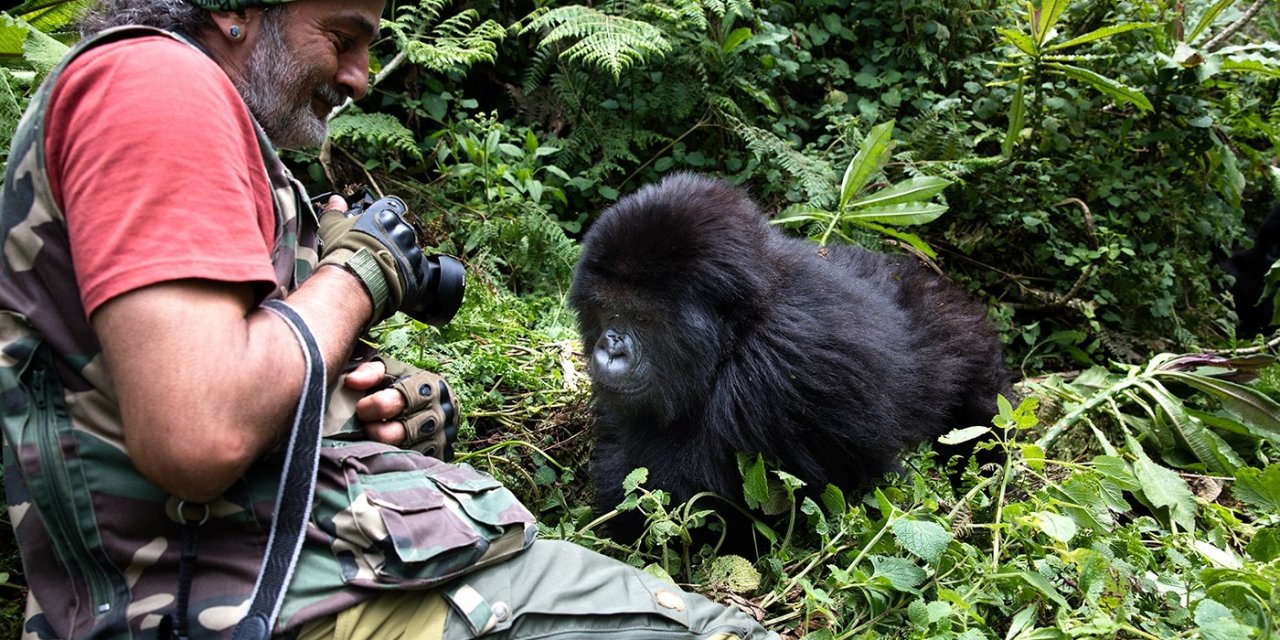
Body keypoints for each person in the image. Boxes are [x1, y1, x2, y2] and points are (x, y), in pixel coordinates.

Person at [0, 0, 782, 637]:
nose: (361, 77)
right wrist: (360, 272)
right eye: (341, 37)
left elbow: (147, 389)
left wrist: (362, 405)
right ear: (237, 12)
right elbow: (199, 430)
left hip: (263, 569)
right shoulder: (156, 84)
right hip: (253, 597)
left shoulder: (188, 114)